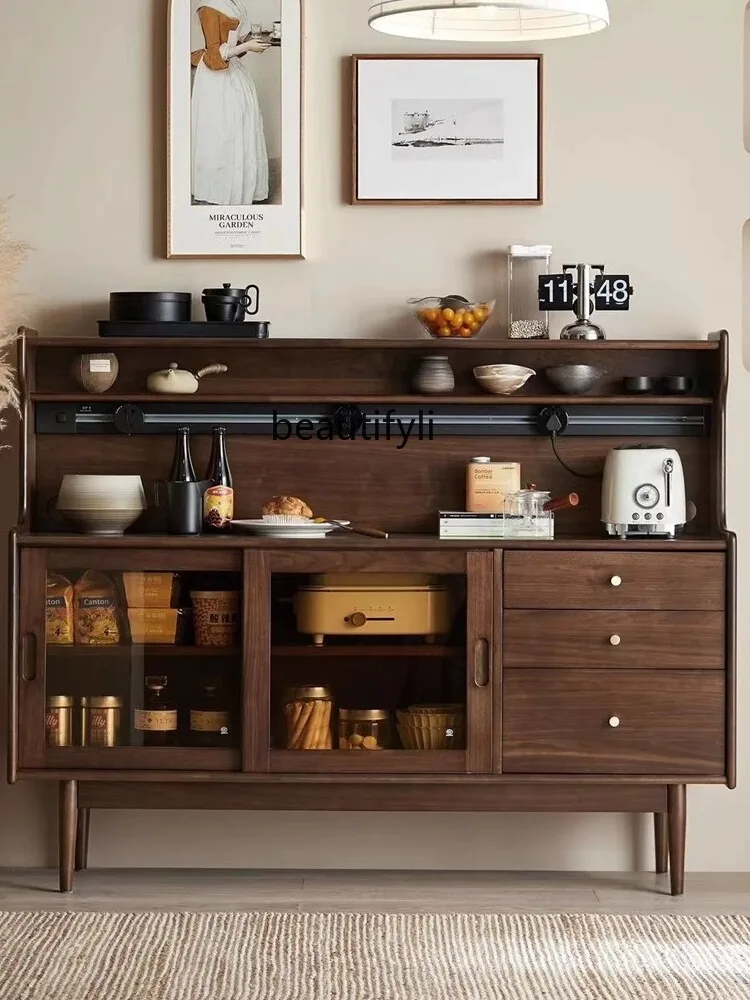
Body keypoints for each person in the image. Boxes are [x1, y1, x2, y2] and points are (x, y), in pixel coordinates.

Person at [191, 2, 270, 206]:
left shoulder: (235, 3)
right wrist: (247, 46)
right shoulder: (208, 7)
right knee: (221, 132)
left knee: (240, 129)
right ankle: (217, 190)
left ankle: (240, 187)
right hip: (215, 80)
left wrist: (249, 41)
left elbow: (231, 49)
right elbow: (214, 55)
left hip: (234, 73)